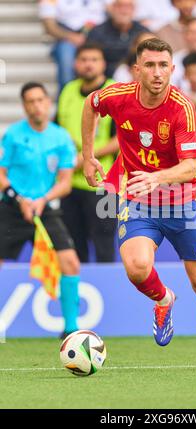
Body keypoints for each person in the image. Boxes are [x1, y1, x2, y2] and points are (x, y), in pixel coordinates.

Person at [81, 37, 196, 370]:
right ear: (137, 70)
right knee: (136, 267)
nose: (157, 73)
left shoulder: (181, 107)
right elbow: (91, 104)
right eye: (150, 65)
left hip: (180, 200)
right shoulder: (119, 96)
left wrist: (156, 178)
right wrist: (88, 156)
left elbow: (191, 167)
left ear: (173, 69)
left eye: (163, 66)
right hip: (138, 198)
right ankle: (163, 299)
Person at [0, 82, 80, 338]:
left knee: (70, 262)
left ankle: (70, 328)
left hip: (44, 208)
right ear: (24, 106)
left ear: (48, 103)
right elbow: (1, 174)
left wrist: (43, 199)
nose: (36, 105)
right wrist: (19, 199)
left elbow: (65, 183)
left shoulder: (61, 137)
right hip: (13, 207)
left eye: (40, 100)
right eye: (30, 101)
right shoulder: (12, 135)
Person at [57, 42, 119, 262]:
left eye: (94, 60)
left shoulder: (115, 92)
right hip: (71, 184)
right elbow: (59, 130)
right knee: (74, 245)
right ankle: (78, 291)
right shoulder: (68, 91)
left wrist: (87, 158)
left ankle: (107, 293)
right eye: (84, 60)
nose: (88, 65)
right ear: (76, 64)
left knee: (104, 243)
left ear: (103, 64)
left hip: (106, 184)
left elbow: (121, 138)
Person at [39, 0, 107, 93]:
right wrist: (71, 36)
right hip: (67, 37)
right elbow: (49, 26)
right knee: (66, 61)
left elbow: (116, 7)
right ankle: (66, 94)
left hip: (100, 34)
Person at [87, 0, 149, 78]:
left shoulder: (142, 32)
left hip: (135, 77)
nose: (124, 11)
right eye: (119, 6)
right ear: (112, 8)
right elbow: (90, 59)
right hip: (105, 80)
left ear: (134, 9)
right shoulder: (97, 32)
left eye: (128, 7)